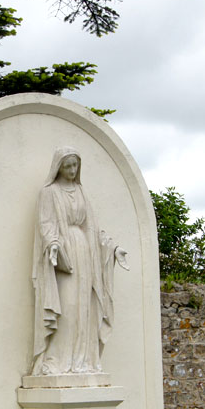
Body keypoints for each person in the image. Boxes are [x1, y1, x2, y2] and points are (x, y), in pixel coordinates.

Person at [31, 147, 128, 376]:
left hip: (84, 251)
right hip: (64, 255)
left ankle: (82, 361)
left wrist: (114, 248)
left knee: (84, 307)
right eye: (67, 166)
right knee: (68, 306)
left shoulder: (81, 191)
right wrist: (53, 243)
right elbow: (46, 223)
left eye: (75, 165)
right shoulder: (49, 192)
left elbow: (93, 228)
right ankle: (57, 360)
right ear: (58, 167)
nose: (72, 170)